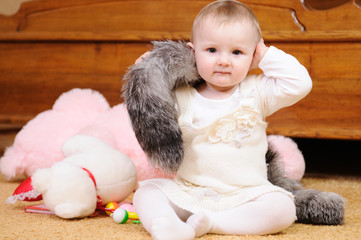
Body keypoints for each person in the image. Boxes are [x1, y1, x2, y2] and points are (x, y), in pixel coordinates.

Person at [132, 0, 312, 239]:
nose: (224, 61)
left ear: (252, 55)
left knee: (283, 208)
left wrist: (265, 55)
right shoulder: (181, 95)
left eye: (237, 52)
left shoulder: (257, 92)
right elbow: (149, 108)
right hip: (190, 193)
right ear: (192, 51)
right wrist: (149, 71)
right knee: (146, 193)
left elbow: (300, 83)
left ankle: (213, 223)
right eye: (212, 50)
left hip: (247, 195)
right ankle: (165, 224)